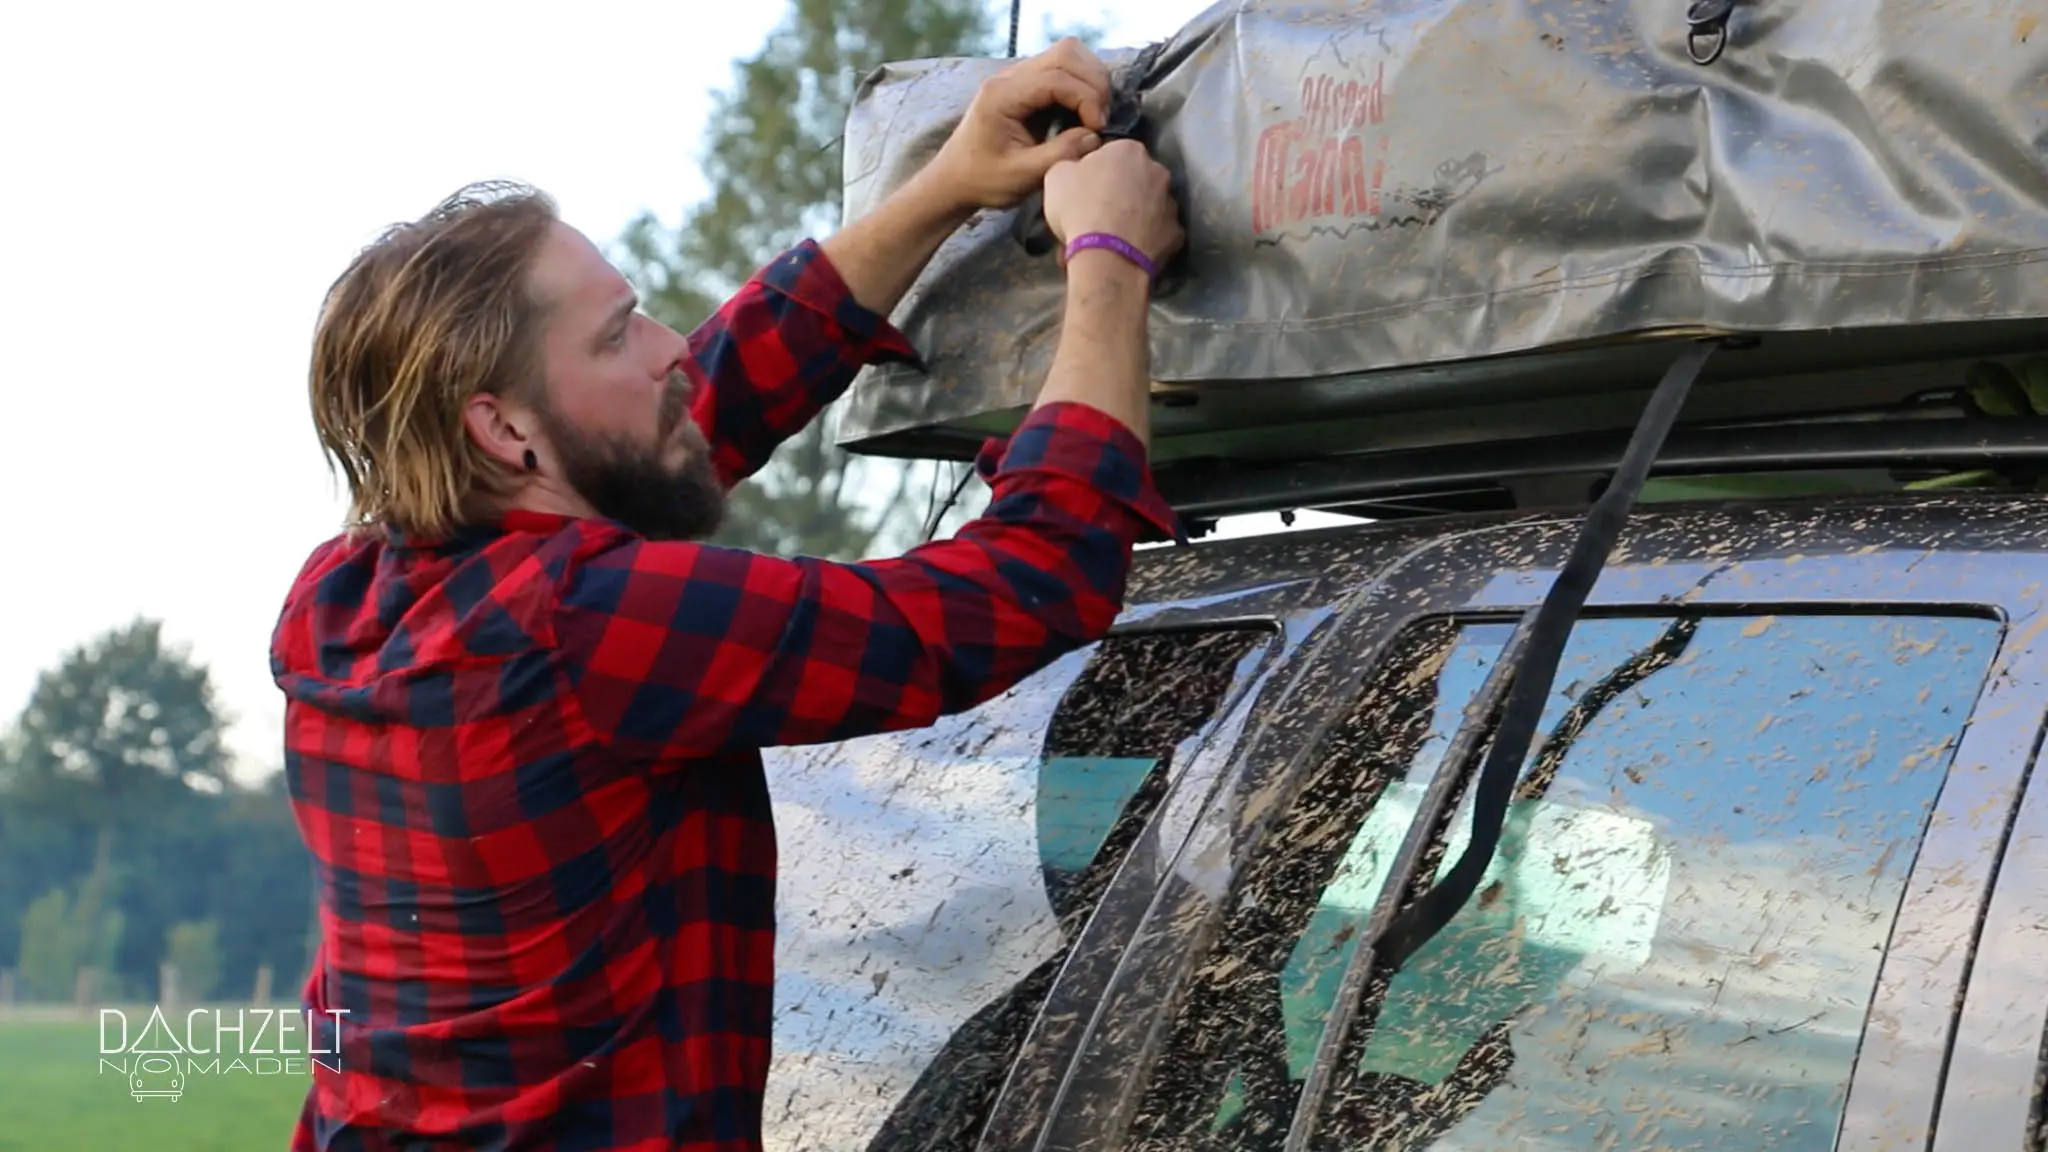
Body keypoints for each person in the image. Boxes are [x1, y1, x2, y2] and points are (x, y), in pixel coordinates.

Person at [270, 37, 1185, 1152]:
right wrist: (1107, 262)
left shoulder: (343, 601)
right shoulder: (585, 625)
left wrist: (946, 183)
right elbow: (1023, 588)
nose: (668, 349)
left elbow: (671, 430)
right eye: (617, 335)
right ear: (500, 429)